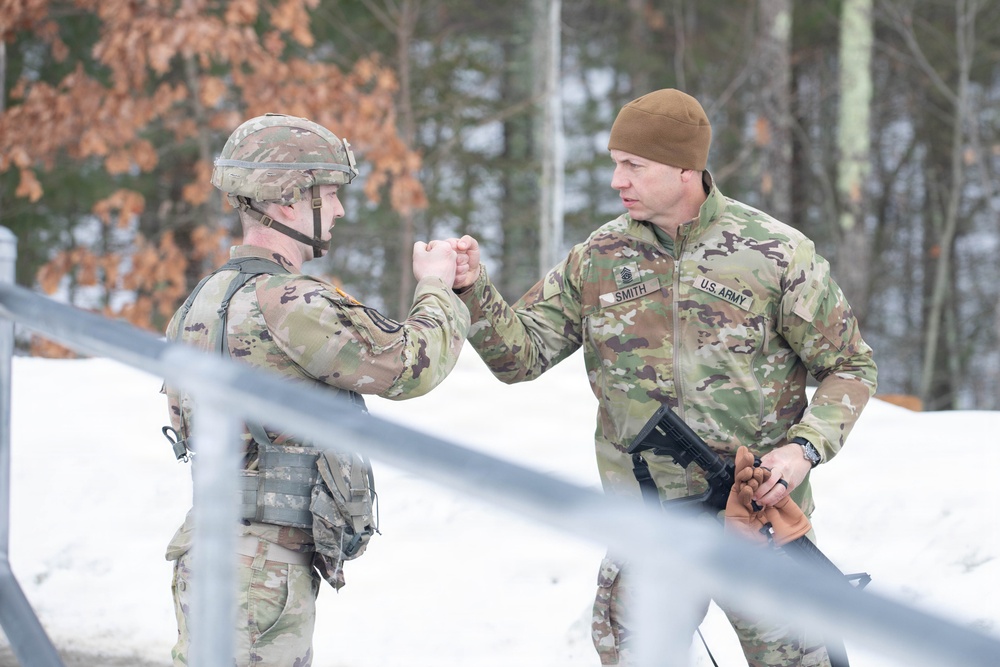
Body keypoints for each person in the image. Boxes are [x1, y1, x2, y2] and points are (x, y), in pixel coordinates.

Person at [445, 89, 877, 666]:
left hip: (754, 521)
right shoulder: (598, 256)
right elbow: (520, 358)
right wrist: (473, 290)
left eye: (634, 165)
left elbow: (850, 364)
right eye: (615, 163)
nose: (617, 180)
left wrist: (804, 449)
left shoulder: (774, 254)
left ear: (684, 169)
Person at [162, 113, 470, 666]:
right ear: (287, 201)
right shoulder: (290, 302)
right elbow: (411, 364)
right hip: (260, 571)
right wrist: (437, 287)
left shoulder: (203, 299)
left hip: (218, 549)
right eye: (329, 194)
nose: (342, 209)